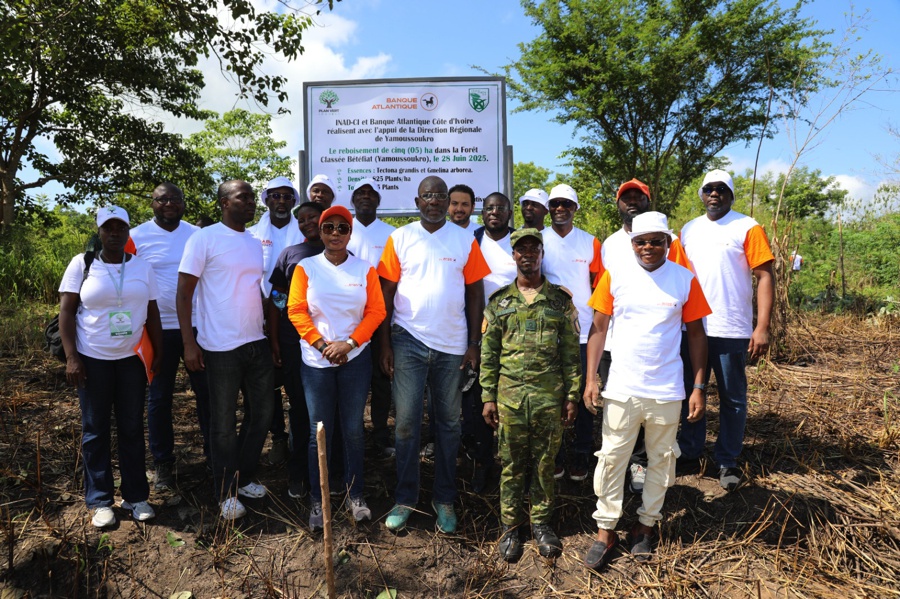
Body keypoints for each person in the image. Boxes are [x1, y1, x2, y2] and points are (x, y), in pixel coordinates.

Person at [582, 212, 710, 570]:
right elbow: (598, 329)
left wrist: (699, 386)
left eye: (656, 240)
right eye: (641, 241)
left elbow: (697, 335)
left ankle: (645, 525)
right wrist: (592, 379)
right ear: (632, 243)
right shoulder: (615, 276)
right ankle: (605, 529)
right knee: (611, 459)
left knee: (662, 460)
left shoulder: (684, 279)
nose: (648, 247)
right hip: (622, 387)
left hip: (667, 389)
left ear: (668, 243)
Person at [377, 176, 491, 534]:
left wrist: (474, 342)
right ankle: (405, 497)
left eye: (440, 196)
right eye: (428, 196)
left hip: (453, 345)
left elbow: (475, 294)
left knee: (449, 425)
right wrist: (384, 344)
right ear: (417, 200)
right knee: (407, 425)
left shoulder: (465, 239)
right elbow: (385, 294)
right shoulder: (400, 237)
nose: (435, 201)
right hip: (407, 340)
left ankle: (444, 498)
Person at [59, 206, 163, 528]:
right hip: (93, 360)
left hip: (131, 359)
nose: (115, 233)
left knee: (132, 427)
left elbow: (153, 311)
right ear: (99, 231)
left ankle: (135, 496)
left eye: (121, 228)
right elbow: (66, 312)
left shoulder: (143, 267)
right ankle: (100, 500)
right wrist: (72, 357)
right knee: (95, 429)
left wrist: (157, 352)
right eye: (108, 228)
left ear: (129, 232)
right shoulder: (82, 264)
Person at [177, 180, 275, 520]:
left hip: (255, 342)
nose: (251, 203)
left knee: (262, 413)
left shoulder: (252, 241)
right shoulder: (203, 239)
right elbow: (184, 293)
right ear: (223, 203)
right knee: (222, 423)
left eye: (252, 198)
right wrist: (189, 342)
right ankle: (225, 492)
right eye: (243, 197)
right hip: (219, 347)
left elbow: (253, 287)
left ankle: (244, 476)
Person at [481, 228, 581, 562]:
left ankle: (541, 524)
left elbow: (570, 354)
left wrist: (572, 395)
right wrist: (487, 397)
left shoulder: (559, 301)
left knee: (544, 464)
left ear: (541, 254)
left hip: (548, 398)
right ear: (514, 255)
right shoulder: (500, 303)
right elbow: (489, 354)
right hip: (509, 398)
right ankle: (510, 527)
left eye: (533, 248)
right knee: (511, 466)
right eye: (521, 249)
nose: (527, 254)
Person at [287, 205, 386, 530]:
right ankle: (319, 499)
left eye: (342, 228)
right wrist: (323, 346)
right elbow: (296, 310)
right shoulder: (306, 267)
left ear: (349, 233)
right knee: (320, 432)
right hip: (316, 362)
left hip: (354, 361)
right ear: (320, 230)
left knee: (354, 430)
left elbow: (375, 311)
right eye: (328, 227)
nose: (335, 234)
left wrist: (350, 344)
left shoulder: (364, 270)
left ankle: (355, 494)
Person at [678, 169, 774, 492]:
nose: (715, 194)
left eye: (721, 189)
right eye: (709, 189)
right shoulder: (688, 230)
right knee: (692, 392)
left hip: (731, 329)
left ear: (731, 195)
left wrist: (761, 327)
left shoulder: (748, 227)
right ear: (702, 194)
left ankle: (727, 460)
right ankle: (691, 452)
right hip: (692, 328)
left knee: (733, 398)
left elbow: (764, 276)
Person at [600, 179, 692, 495]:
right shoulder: (610, 243)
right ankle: (616, 473)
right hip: (617, 341)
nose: (632, 201)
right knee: (621, 409)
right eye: (626, 197)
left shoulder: (672, 243)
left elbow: (679, 286)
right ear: (618, 203)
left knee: (651, 409)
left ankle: (640, 465)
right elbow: (603, 294)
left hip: (660, 343)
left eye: (639, 197)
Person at [130, 183, 211, 490]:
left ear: (183, 203)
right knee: (159, 398)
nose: (168, 204)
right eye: (161, 199)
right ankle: (163, 463)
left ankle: (213, 457)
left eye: (175, 199)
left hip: (196, 326)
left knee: (206, 395)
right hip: (156, 329)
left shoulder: (197, 235)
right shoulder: (136, 236)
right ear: (152, 204)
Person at [541, 183, 603, 481]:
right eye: (554, 204)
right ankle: (554, 456)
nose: (560, 209)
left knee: (581, 396)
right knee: (551, 397)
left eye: (566, 204)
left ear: (575, 208)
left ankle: (580, 455)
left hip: (582, 333)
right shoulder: (538, 240)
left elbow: (600, 284)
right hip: (547, 333)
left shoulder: (590, 242)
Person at [267, 202, 326, 499]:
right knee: (300, 410)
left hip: (330, 349)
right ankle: (298, 473)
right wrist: (275, 340)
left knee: (329, 412)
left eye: (311, 217)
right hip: (294, 345)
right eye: (301, 220)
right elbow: (276, 300)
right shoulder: (291, 254)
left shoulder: (342, 251)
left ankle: (332, 472)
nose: (306, 223)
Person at [249, 176, 305, 466]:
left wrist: (279, 304)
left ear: (294, 201)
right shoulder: (251, 234)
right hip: (258, 315)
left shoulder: (306, 233)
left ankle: (299, 436)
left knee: (296, 379)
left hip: (298, 318)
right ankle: (277, 437)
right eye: (275, 196)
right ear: (266, 200)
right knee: (268, 381)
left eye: (286, 196)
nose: (281, 201)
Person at [465, 192, 517, 493]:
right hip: (480, 333)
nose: (494, 212)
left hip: (516, 335)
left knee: (511, 399)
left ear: (509, 213)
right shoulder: (472, 240)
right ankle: (483, 463)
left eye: (500, 208)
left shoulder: (520, 241)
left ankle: (512, 466)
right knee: (481, 399)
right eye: (489, 208)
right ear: (481, 213)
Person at [346, 178, 396, 458]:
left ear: (378, 200)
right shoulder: (342, 229)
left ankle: (379, 434)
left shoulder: (391, 234)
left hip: (379, 319)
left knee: (380, 379)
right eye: (360, 193)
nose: (366, 197)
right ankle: (351, 435)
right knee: (351, 379)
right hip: (347, 318)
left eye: (371, 193)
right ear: (352, 201)